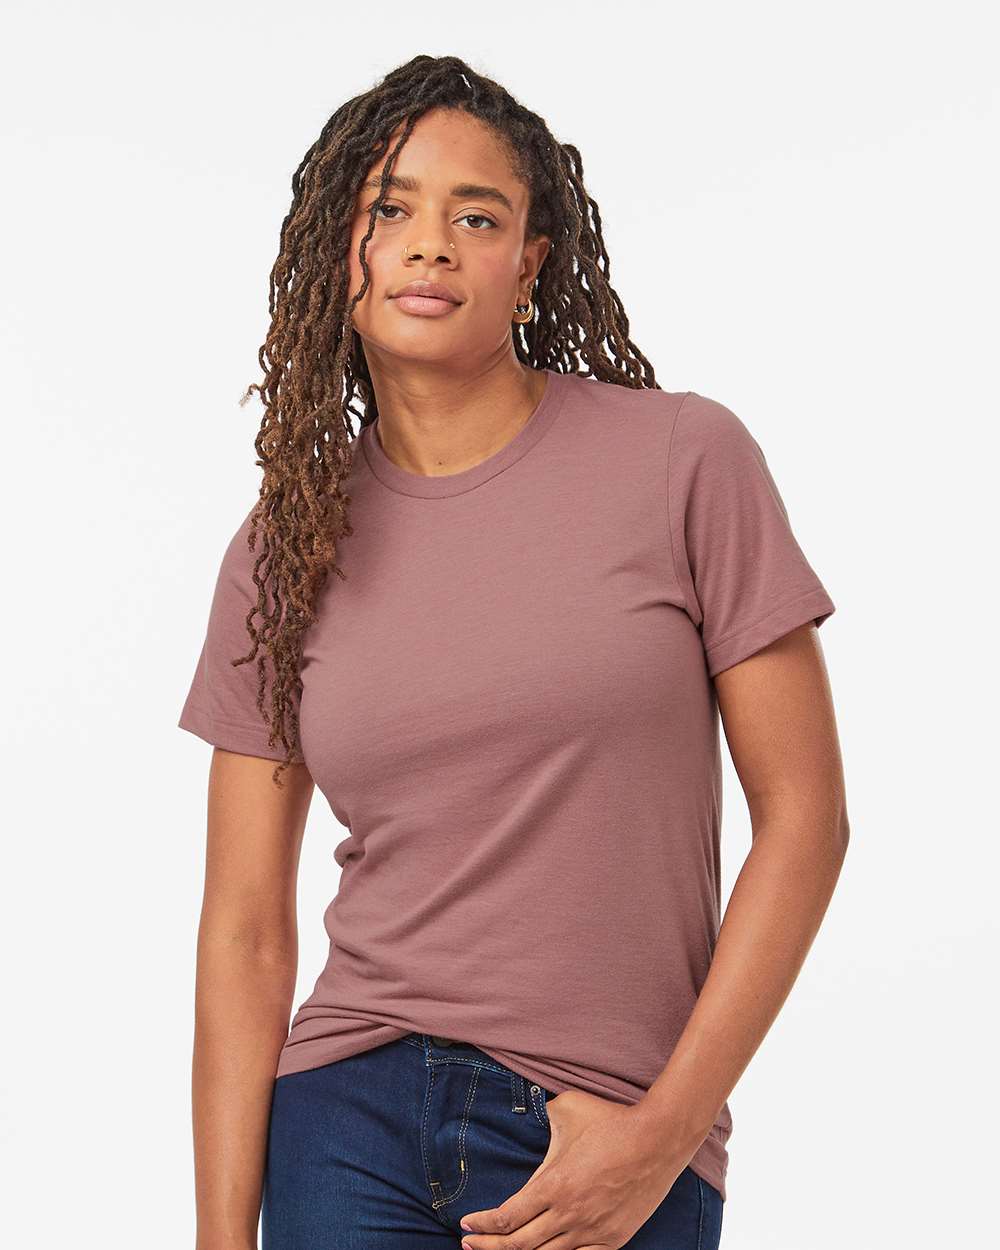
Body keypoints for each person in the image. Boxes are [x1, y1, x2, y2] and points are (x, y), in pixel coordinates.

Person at [178, 54, 849, 1250]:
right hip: (344, 1120)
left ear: (529, 265)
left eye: (475, 217)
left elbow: (805, 819)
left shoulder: (683, 461)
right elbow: (244, 928)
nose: (429, 246)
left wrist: (660, 1137)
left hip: (605, 1121)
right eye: (390, 209)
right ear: (338, 252)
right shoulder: (282, 547)